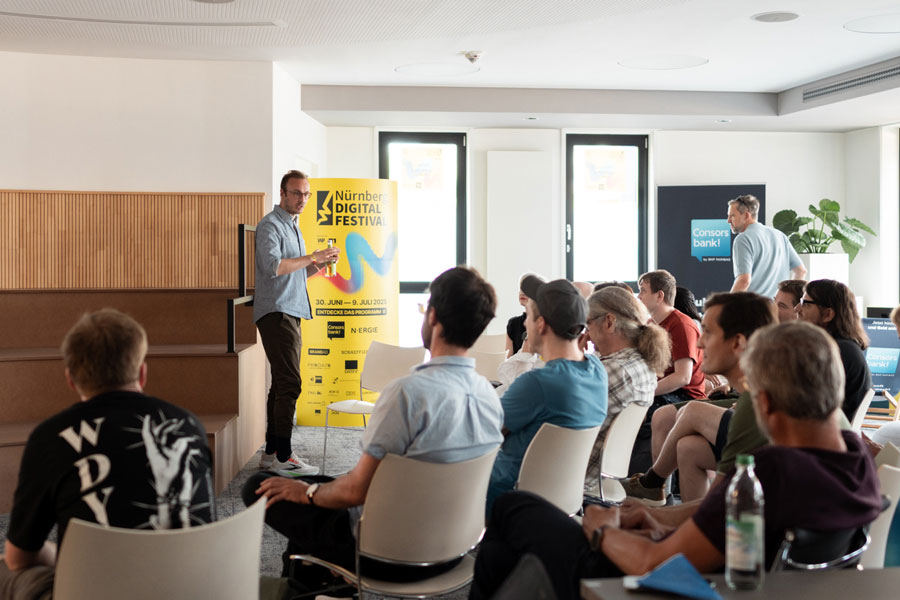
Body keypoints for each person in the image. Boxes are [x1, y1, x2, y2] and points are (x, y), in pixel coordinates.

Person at [470, 321, 882, 600]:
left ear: (767, 403)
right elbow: (721, 524)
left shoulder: (774, 471)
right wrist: (659, 521)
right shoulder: (856, 460)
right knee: (500, 557)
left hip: (659, 584)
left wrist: (601, 532)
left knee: (513, 507)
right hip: (726, 573)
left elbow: (651, 562)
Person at [242, 266, 503, 585]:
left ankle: (320, 581)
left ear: (433, 317)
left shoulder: (407, 393)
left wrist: (308, 492)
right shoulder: (490, 397)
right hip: (453, 551)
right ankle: (319, 577)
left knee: (259, 485)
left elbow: (356, 490)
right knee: (315, 498)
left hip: (385, 551)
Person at [1, 310, 214, 598]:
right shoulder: (189, 426)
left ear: (71, 379)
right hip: (188, 589)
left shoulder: (50, 437)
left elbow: (19, 558)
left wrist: (59, 555)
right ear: (142, 372)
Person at [622, 293, 776, 504]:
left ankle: (652, 483)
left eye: (709, 333)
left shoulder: (756, 404)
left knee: (692, 410)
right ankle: (658, 490)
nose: (700, 342)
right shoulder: (756, 394)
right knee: (688, 447)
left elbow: (714, 509)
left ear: (738, 342)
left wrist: (650, 519)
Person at [486, 276, 608, 514]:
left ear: (540, 325)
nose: (523, 326)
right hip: (560, 496)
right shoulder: (596, 371)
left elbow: (485, 431)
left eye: (528, 318)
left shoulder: (538, 383)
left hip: (506, 494)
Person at [254, 170, 341, 474]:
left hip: (291, 310)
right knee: (291, 383)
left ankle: (271, 452)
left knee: (280, 384)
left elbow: (296, 273)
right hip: (276, 312)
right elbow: (274, 267)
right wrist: (312, 256)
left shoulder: (294, 227)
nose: (302, 199)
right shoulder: (270, 225)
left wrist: (320, 265)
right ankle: (284, 457)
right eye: (296, 193)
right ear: (282, 193)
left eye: (306, 194)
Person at [583, 287, 670, 492]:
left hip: (577, 476)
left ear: (609, 322)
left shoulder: (610, 371)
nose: (586, 334)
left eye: (588, 324)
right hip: (604, 478)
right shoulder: (642, 364)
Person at [796, 279, 872, 419]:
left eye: (805, 303)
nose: (797, 309)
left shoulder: (836, 351)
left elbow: (807, 405)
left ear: (828, 315)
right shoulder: (844, 347)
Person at [637, 270, 705, 402]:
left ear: (659, 296)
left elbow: (682, 377)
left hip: (685, 396)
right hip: (661, 390)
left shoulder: (682, 325)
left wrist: (642, 393)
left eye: (643, 291)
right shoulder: (650, 324)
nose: (639, 296)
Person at [728, 194, 806, 297]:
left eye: (732, 216)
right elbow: (801, 271)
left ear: (746, 216)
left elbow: (744, 281)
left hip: (755, 309)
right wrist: (787, 300)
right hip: (778, 310)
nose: (728, 220)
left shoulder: (743, 239)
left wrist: (725, 309)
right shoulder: (780, 236)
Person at [505, 273, 535, 356]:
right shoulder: (513, 323)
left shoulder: (543, 323)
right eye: (521, 288)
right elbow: (508, 360)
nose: (523, 293)